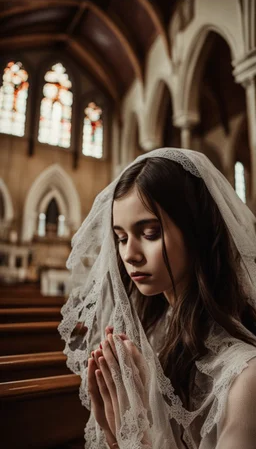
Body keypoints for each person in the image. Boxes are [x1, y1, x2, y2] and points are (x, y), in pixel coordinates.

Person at [58, 148, 256, 449]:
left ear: (196, 231)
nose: (129, 254)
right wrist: (113, 429)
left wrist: (137, 436)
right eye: (121, 238)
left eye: (150, 233)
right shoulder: (146, 337)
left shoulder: (245, 378)